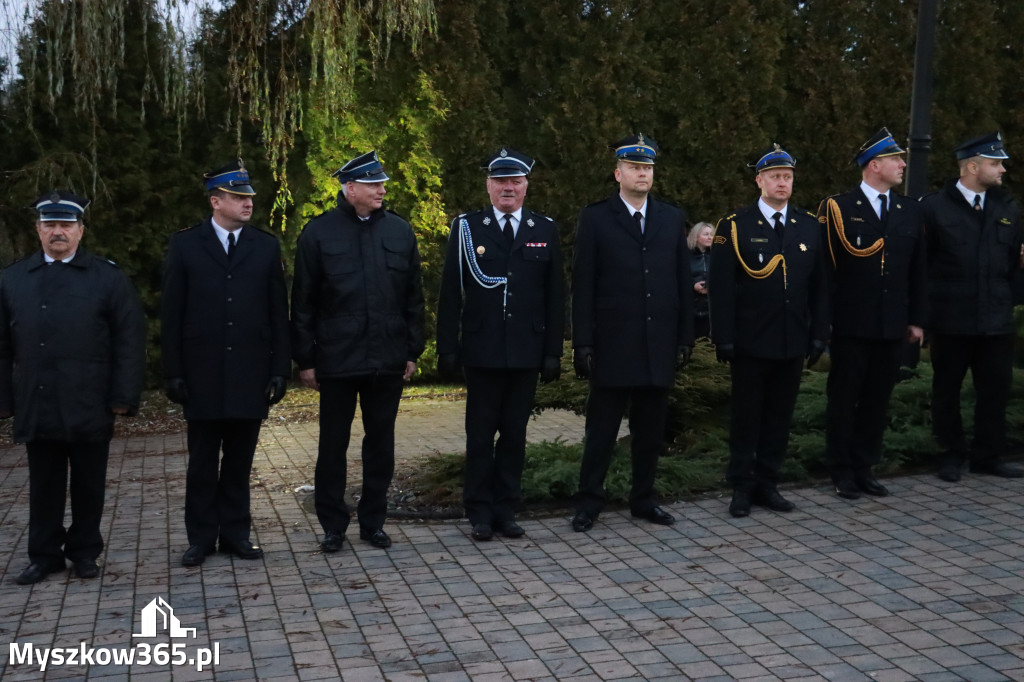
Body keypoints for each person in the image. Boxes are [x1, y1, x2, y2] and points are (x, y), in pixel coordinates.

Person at [0, 191, 145, 584]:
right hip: (38, 398)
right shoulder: (13, 279)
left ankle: (84, 552)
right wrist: (4, 400)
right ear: (38, 230)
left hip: (89, 400)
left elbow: (129, 340)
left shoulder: (107, 278)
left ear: (80, 231)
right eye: (50, 225)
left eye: (66, 225)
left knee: (88, 484)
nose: (57, 232)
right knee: (43, 486)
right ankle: (44, 555)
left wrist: (122, 398)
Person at [291, 150, 425, 552]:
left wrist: (412, 350)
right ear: (350, 189)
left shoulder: (400, 232)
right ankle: (333, 525)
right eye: (373, 184)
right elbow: (303, 303)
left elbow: (413, 299)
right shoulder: (318, 234)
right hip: (337, 360)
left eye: (382, 183)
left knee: (380, 445)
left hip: (386, 358)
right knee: (332, 445)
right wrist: (307, 359)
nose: (382, 189)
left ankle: (374, 522)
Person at [161, 159, 291, 567]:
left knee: (239, 462)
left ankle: (236, 534)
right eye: (238, 197)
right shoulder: (185, 245)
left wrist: (279, 368)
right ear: (216, 201)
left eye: (249, 196)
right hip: (201, 373)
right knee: (202, 462)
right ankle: (200, 538)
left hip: (249, 372)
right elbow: (173, 313)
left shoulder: (265, 246)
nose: (247, 203)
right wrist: (174, 371)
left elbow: (277, 312)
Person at [437, 149, 564, 542]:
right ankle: (478, 512)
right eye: (500, 181)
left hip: (525, 351)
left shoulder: (544, 228)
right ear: (489, 186)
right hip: (482, 350)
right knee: (479, 436)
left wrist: (553, 352)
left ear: (526, 186)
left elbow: (555, 296)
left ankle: (507, 510)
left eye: (515, 181)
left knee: (514, 434)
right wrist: (447, 348)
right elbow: (449, 294)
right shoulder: (467, 227)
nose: (508, 187)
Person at [570, 133, 693, 533]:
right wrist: (583, 341)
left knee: (650, 432)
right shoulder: (596, 217)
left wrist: (685, 337)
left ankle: (644, 499)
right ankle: (589, 501)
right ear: (618, 172)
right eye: (635, 167)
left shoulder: (671, 217)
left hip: (657, 343)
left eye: (648, 168)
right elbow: (583, 284)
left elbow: (680, 279)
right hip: (612, 343)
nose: (643, 174)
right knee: (601, 431)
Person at [709, 144, 829, 518]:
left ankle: (768, 483)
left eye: (788, 177)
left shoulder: (809, 225)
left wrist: (819, 334)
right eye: (775, 176)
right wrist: (723, 336)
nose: (782, 183)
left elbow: (820, 287)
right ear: (759, 180)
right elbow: (722, 287)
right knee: (747, 416)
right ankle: (741, 486)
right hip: (750, 340)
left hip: (792, 339)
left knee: (780, 415)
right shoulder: (735, 225)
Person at [817, 128, 927, 500]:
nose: (902, 164)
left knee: (878, 399)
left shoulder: (909, 210)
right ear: (874, 165)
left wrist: (915, 318)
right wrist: (825, 321)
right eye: (896, 159)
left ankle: (865, 467)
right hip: (850, 323)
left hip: (891, 323)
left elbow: (917, 270)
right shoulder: (839, 207)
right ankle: (841, 469)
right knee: (845, 399)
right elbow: (826, 270)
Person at [922, 132, 1023, 482]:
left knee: (994, 390)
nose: (1003, 170)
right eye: (996, 163)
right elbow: (923, 265)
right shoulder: (934, 207)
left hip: (995, 319)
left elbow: (1011, 263)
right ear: (972, 165)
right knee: (947, 389)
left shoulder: (1007, 207)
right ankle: (950, 454)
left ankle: (988, 456)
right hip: (951, 318)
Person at [688, 221, 714, 339]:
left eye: (712, 234)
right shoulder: (686, 255)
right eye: (706, 234)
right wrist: (693, 285)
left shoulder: (717, 255)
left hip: (711, 308)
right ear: (696, 236)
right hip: (691, 307)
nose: (709, 237)